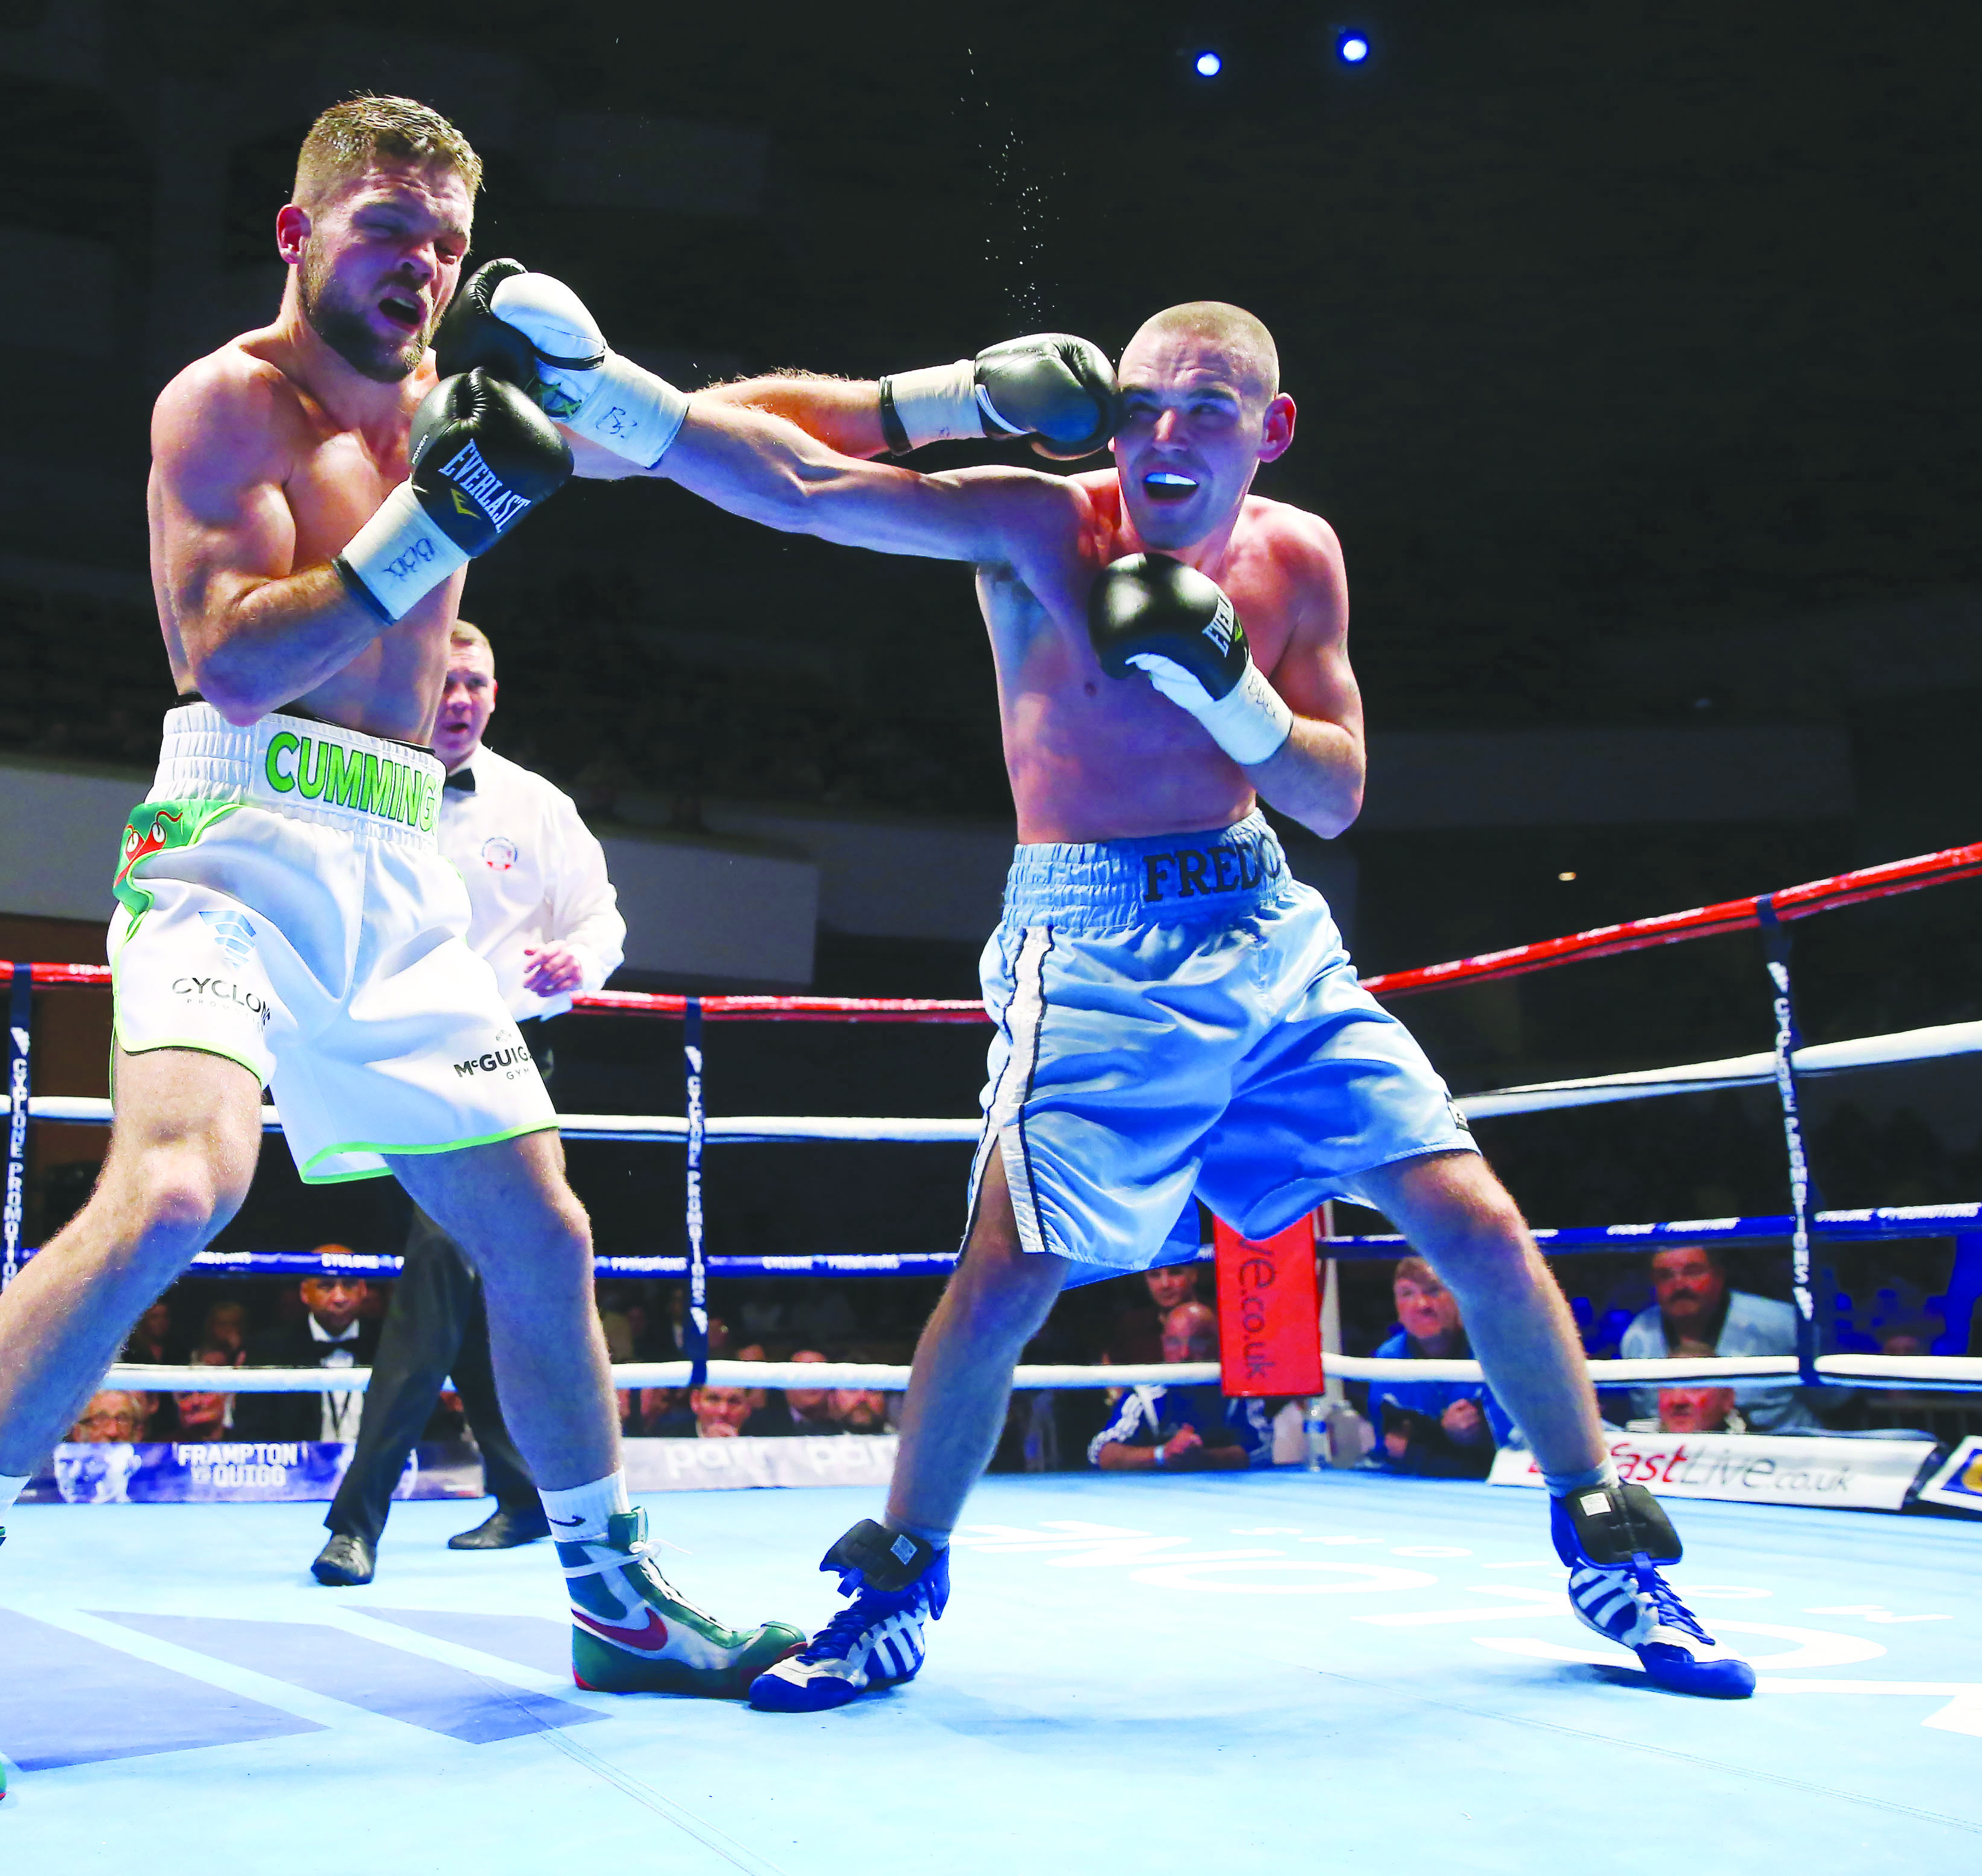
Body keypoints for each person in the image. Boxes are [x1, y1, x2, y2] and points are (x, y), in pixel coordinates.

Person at [434, 270, 1750, 1704]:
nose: (1164, 434)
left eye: (1204, 409)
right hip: (1094, 941)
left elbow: (1337, 793)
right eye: (1138, 408)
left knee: (1476, 1218)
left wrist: (1229, 686)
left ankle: (1614, 1554)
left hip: (1263, 922)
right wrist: (604, 382)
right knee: (1009, 1271)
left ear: (1272, 430)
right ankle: (889, 1588)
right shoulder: (1040, 521)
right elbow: (806, 481)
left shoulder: (1299, 562)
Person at [0, 95, 797, 1815]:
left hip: (397, 854)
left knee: (540, 1224)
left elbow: (731, 437)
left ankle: (608, 1589)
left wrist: (937, 412)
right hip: (236, 837)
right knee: (176, 1188)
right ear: (298, 233)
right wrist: (439, 518)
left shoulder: (453, 402)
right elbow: (230, 660)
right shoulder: (227, 405)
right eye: (382, 229)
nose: (418, 265)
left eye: (441, 237)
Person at [311, 617, 625, 1585]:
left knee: (439, 1275)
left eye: (474, 684)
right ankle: (524, 1489)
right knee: (474, 1270)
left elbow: (601, 915)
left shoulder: (536, 806)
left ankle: (355, 1519)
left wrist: (582, 963)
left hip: (503, 1059)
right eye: (443, 682)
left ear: (495, 692)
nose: (458, 700)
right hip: (387, 1059)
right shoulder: (366, 795)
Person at [1619, 1244, 1821, 1432]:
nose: (1679, 1284)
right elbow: (1649, 1418)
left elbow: (1835, 1401)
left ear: (1719, 1275)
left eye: (1693, 1272)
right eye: (1665, 1276)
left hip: (1791, 1454)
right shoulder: (1638, 1337)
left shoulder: (1782, 1324)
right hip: (1678, 1460)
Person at [1365, 1256, 1516, 1478]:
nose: (1421, 1305)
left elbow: (1511, 1458)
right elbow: (1394, 1450)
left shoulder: (1494, 1353)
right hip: (1411, 1490)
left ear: (1459, 1298)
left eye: (1434, 1290)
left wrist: (1479, 1435)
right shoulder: (1389, 1359)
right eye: (1407, 1294)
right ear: (1397, 1306)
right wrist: (1444, 1433)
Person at [1089, 1301, 1269, 1472]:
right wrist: (1162, 1454)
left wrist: (1205, 1458)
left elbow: (1263, 1450)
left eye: (1197, 1342)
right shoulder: (1147, 1396)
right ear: (1163, 1343)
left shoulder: (1238, 1393)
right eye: (1174, 1342)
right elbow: (1101, 1452)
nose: (1185, 1353)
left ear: (1217, 1343)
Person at [249, 1272, 382, 1447]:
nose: (339, 1298)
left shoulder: (390, 1345)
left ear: (363, 1289)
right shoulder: (270, 1349)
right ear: (305, 1292)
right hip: (297, 1471)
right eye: (326, 1286)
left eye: (349, 1285)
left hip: (377, 1470)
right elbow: (253, 1431)